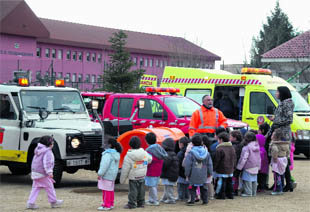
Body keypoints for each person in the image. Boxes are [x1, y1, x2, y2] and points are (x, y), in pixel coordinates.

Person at [266, 86, 294, 192]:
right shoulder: (283, 103)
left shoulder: (287, 103)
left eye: (277, 91)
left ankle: (285, 183)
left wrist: (276, 121)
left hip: (282, 134)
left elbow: (289, 119)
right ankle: (283, 183)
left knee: (281, 158)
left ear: (282, 93)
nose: (276, 93)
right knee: (282, 160)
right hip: (279, 132)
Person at [26, 136, 63, 209]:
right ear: (49, 144)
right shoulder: (47, 152)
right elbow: (47, 163)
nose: (53, 144)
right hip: (43, 174)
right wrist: (49, 172)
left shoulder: (38, 150)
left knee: (35, 188)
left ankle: (30, 203)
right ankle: (53, 202)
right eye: (52, 142)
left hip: (35, 172)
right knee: (50, 187)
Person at [120, 136, 152, 209]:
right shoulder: (144, 153)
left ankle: (131, 204)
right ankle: (141, 203)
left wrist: (122, 180)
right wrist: (144, 162)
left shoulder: (128, 156)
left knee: (133, 191)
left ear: (130, 145)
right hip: (143, 174)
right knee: (141, 190)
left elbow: (125, 169)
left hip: (133, 176)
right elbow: (150, 159)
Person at [184, 135, 213, 206]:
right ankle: (205, 200)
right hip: (203, 173)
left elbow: (187, 165)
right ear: (202, 142)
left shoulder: (190, 153)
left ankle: (192, 200)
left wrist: (187, 174)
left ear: (192, 143)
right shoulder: (207, 153)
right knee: (204, 187)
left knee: (192, 187)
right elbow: (210, 164)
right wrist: (210, 173)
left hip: (193, 174)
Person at [97, 138, 122, 211]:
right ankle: (110, 203)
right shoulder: (116, 154)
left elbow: (104, 165)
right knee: (110, 190)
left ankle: (106, 205)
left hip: (106, 175)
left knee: (106, 190)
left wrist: (100, 173)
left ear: (109, 145)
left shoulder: (107, 154)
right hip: (112, 175)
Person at [144, 132, 168, 206]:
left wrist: (143, 165)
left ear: (147, 141)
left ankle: (154, 200)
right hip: (158, 170)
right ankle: (152, 199)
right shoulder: (159, 148)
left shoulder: (149, 150)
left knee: (152, 186)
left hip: (151, 170)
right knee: (154, 185)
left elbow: (146, 161)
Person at [236, 132, 261, 197]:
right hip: (255, 166)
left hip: (248, 166)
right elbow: (259, 157)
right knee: (254, 180)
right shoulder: (257, 146)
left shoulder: (246, 148)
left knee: (247, 180)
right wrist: (259, 166)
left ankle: (248, 193)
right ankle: (253, 192)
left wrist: (239, 167)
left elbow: (244, 158)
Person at [213, 132, 236, 200]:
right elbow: (234, 158)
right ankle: (230, 194)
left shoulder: (219, 149)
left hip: (222, 169)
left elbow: (217, 160)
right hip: (230, 168)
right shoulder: (232, 148)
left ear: (221, 140)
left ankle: (221, 195)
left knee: (221, 183)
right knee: (229, 182)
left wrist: (214, 168)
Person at [269, 129, 290, 195]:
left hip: (277, 160)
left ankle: (277, 189)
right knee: (282, 174)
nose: (271, 136)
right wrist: (286, 156)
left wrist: (274, 158)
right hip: (283, 160)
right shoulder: (286, 144)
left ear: (275, 137)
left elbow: (275, 151)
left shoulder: (274, 144)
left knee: (276, 174)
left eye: (273, 135)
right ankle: (281, 187)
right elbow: (288, 152)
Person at [160, 138, 179, 204]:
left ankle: (171, 199)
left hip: (169, 175)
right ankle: (165, 197)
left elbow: (164, 164)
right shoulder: (172, 154)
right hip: (170, 174)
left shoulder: (168, 154)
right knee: (166, 186)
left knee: (169, 187)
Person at [229, 130, 244, 196]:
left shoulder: (234, 146)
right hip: (239, 163)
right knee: (236, 177)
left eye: (231, 137)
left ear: (235, 138)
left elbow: (233, 156)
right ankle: (235, 189)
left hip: (234, 164)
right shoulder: (241, 144)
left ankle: (233, 190)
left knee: (234, 177)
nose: (229, 138)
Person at [176, 136, 190, 202]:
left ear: (181, 144)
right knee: (187, 186)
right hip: (188, 173)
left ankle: (181, 197)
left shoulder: (180, 153)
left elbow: (178, 165)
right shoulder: (190, 152)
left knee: (180, 186)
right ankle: (187, 196)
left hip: (181, 174)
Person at [256, 126, 269, 192]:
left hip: (260, 168)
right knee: (263, 177)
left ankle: (261, 187)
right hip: (264, 168)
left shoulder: (259, 150)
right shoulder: (263, 149)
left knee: (260, 177)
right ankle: (262, 186)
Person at [202, 135, 215, 200]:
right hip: (210, 168)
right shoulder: (211, 150)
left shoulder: (204, 150)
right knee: (209, 182)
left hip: (205, 168)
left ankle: (208, 195)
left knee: (207, 182)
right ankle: (211, 195)